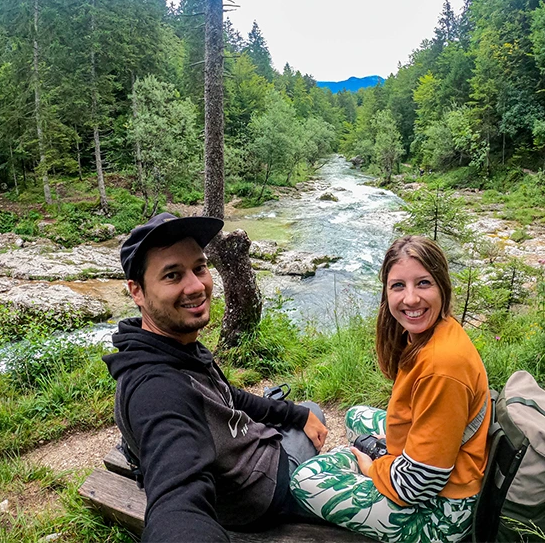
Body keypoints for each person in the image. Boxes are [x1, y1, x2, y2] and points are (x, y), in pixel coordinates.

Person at [103, 213, 328, 542]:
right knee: (318, 412)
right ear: (137, 292)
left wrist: (294, 414)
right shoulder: (158, 390)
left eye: (199, 267)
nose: (196, 286)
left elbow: (228, 397)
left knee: (305, 412)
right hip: (259, 494)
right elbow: (177, 500)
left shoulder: (171, 344)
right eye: (172, 275)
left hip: (241, 469)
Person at [290, 235, 490, 543]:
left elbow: (417, 486)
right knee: (357, 415)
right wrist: (394, 452)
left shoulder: (442, 365)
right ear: (387, 291)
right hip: (444, 465)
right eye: (399, 286)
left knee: (304, 480)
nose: (410, 299)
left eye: (423, 283)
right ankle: (367, 461)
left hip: (442, 513)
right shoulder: (435, 332)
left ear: (442, 287)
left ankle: (355, 465)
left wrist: (374, 467)